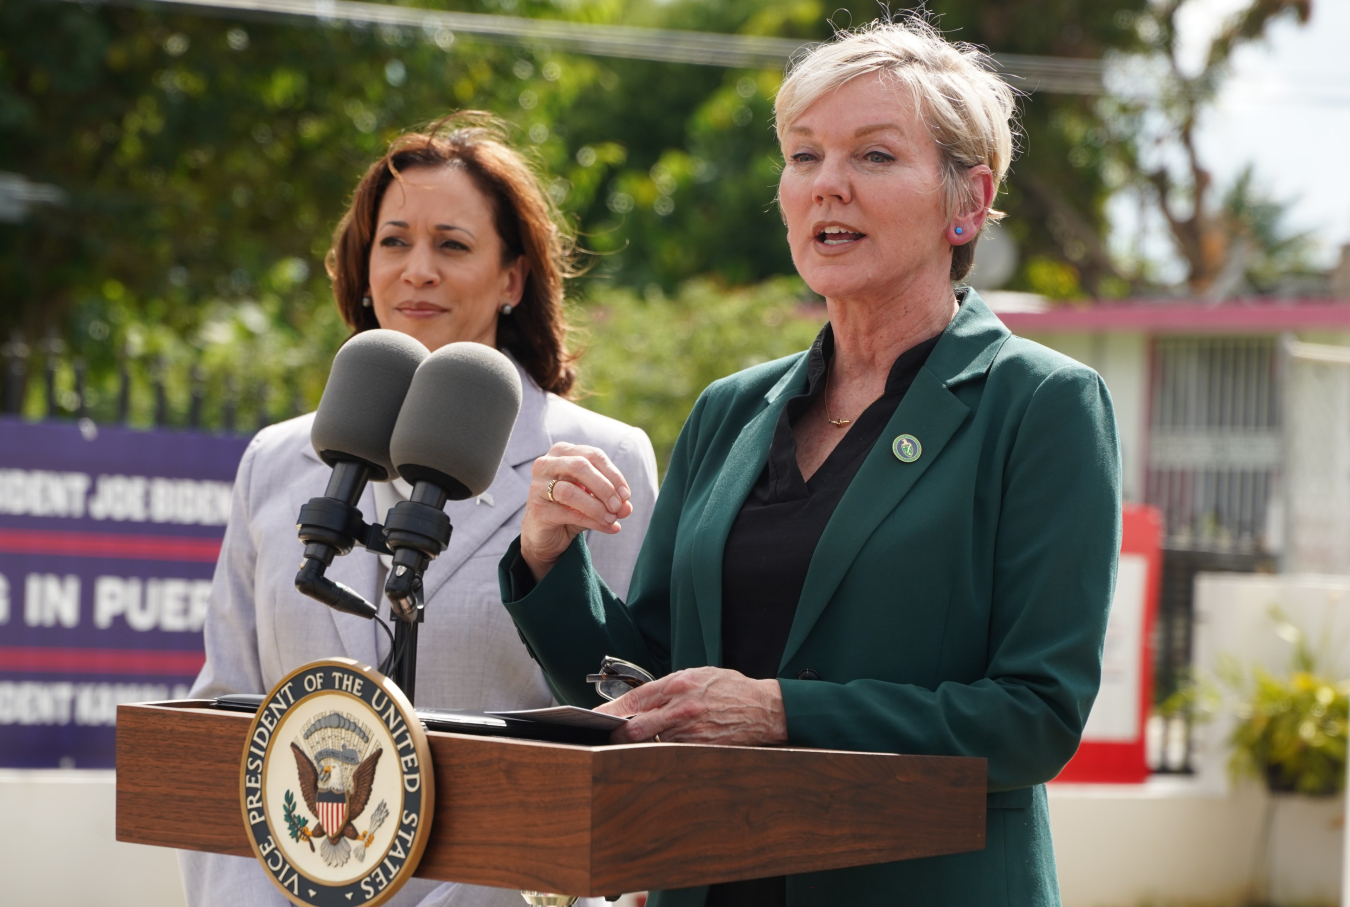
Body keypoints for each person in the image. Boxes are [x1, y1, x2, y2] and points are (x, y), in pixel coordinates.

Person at [499, 20, 1120, 907]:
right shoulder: (728, 409)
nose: (827, 185)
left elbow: (1034, 717)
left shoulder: (1043, 405)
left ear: (968, 202)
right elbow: (648, 682)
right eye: (802, 156)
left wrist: (781, 711)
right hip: (707, 879)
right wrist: (551, 561)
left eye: (872, 156)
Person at [181, 114, 659, 907]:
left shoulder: (597, 457)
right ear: (362, 271)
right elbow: (224, 710)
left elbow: (617, 719)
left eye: (453, 244)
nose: (419, 270)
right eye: (394, 242)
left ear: (513, 278)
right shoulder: (275, 460)